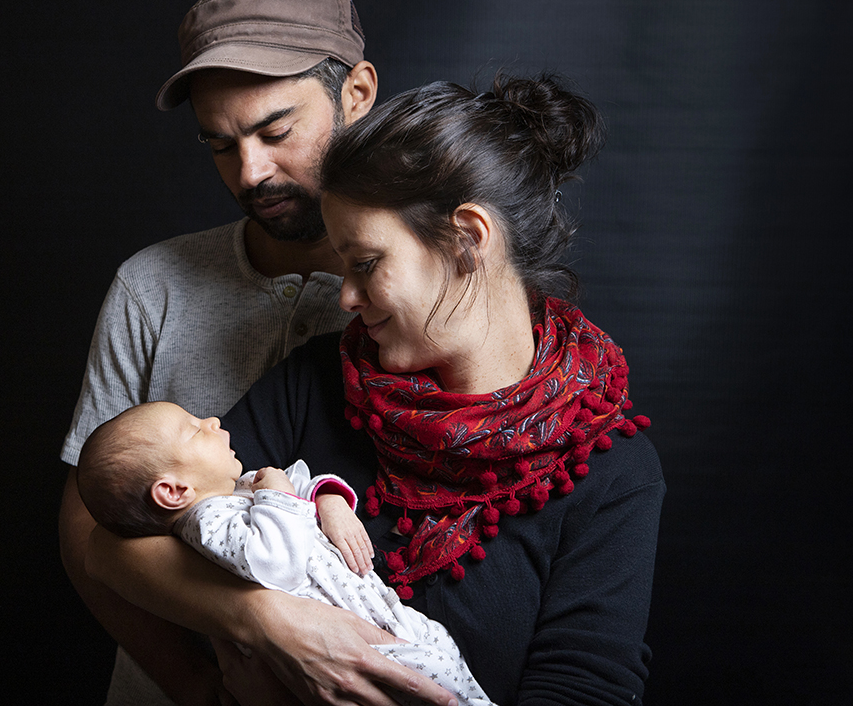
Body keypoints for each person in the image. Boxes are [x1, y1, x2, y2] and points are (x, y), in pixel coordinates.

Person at [87, 74, 666, 706]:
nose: (345, 297)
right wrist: (269, 622)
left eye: (364, 264)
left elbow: (585, 687)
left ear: (468, 239)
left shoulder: (610, 470)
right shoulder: (317, 381)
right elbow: (116, 544)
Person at [58, 0, 382, 705]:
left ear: (357, 94)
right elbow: (87, 527)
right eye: (220, 144)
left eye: (276, 132)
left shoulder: (413, 300)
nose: (251, 172)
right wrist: (198, 685)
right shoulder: (151, 287)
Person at [77, 401, 498, 706]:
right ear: (174, 491)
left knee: (447, 666)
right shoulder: (206, 524)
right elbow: (276, 561)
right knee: (433, 684)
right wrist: (276, 489)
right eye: (194, 430)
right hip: (353, 641)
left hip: (376, 615)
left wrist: (328, 499)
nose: (212, 421)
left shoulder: (233, 491)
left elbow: (297, 483)